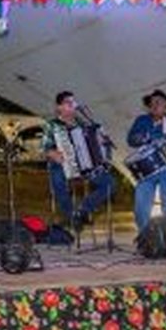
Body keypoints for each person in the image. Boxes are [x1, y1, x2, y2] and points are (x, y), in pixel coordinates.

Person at [42, 91, 115, 231]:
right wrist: (53, 153)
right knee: (57, 177)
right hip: (63, 165)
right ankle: (71, 215)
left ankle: (83, 210)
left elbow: (96, 143)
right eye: (68, 103)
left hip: (86, 167)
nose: (72, 105)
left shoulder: (83, 124)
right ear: (59, 108)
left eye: (73, 102)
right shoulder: (52, 125)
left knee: (110, 183)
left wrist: (102, 140)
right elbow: (45, 148)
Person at [127, 89, 166, 233]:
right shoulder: (142, 120)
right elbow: (131, 139)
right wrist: (143, 137)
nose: (155, 105)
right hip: (146, 170)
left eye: (159, 102)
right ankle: (145, 238)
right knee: (141, 207)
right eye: (152, 103)